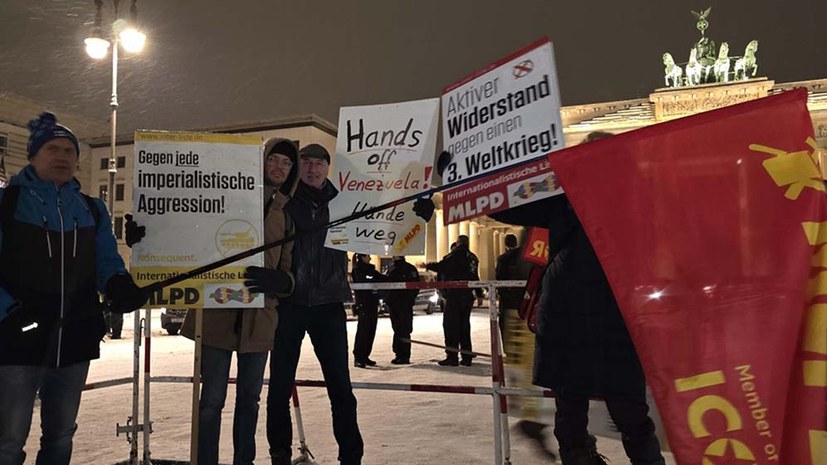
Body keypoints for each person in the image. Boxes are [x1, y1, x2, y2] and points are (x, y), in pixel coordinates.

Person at [489, 131, 665, 465]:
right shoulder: (570, 197)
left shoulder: (623, 198)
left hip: (598, 317)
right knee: (590, 413)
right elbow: (502, 204)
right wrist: (464, 176)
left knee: (607, 412)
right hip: (582, 318)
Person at [133, 137, 296, 465]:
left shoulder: (286, 216)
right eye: (273, 159)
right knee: (211, 400)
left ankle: (243, 461)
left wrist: (283, 282)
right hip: (217, 314)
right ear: (261, 162)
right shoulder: (227, 199)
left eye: (286, 163)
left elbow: (288, 269)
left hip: (260, 320)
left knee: (249, 401)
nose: (279, 167)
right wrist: (145, 233)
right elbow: (185, 228)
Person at [0, 112, 147, 465]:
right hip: (19, 343)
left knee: (61, 435)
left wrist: (118, 285)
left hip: (75, 341)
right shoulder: (7, 205)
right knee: (8, 440)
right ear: (33, 155)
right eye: (53, 148)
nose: (63, 156)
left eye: (69, 150)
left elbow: (106, 262)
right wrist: (10, 313)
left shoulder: (92, 209)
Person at [266, 144, 363, 465]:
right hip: (289, 303)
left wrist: (419, 210)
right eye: (305, 163)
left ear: (327, 167)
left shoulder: (347, 202)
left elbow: (390, 221)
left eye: (318, 163)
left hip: (329, 303)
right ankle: (279, 453)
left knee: (341, 388)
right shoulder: (284, 201)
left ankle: (351, 455)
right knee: (279, 386)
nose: (311, 169)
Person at [424, 234, 481, 367]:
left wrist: (427, 265)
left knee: (451, 326)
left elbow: (443, 266)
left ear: (457, 243)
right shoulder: (473, 257)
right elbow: (475, 276)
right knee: (464, 326)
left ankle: (452, 356)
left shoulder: (456, 255)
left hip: (455, 295)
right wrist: (478, 293)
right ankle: (467, 357)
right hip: (468, 295)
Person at [350, 253, 386, 368]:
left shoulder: (371, 269)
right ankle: (359, 357)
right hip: (363, 304)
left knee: (371, 330)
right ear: (362, 257)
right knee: (363, 331)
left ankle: (365, 356)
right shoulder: (357, 270)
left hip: (372, 303)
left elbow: (382, 279)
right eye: (367, 256)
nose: (370, 258)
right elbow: (363, 281)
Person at [384, 256, 419, 364]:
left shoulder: (393, 269)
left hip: (397, 304)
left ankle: (401, 354)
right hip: (403, 304)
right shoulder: (409, 268)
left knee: (399, 329)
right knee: (403, 329)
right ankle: (402, 354)